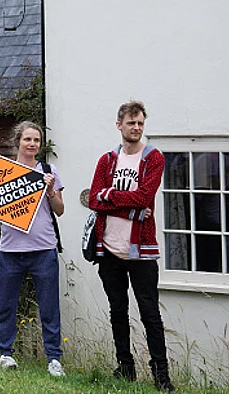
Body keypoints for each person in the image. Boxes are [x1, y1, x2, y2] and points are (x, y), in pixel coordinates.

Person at [89, 101, 174, 392]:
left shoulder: (153, 158)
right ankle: (125, 368)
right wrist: (129, 209)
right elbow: (92, 200)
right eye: (130, 123)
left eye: (140, 123)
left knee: (150, 313)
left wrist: (110, 196)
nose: (136, 128)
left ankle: (161, 377)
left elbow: (145, 196)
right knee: (118, 310)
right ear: (119, 126)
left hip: (142, 251)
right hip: (109, 249)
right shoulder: (107, 160)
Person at [0, 121, 66, 377]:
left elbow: (60, 209)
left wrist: (50, 188)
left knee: (49, 307)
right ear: (18, 141)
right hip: (10, 249)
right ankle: (6, 354)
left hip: (44, 248)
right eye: (27, 139)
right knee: (6, 305)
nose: (32, 144)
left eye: (36, 140)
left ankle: (54, 359)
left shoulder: (48, 170)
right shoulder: (3, 173)